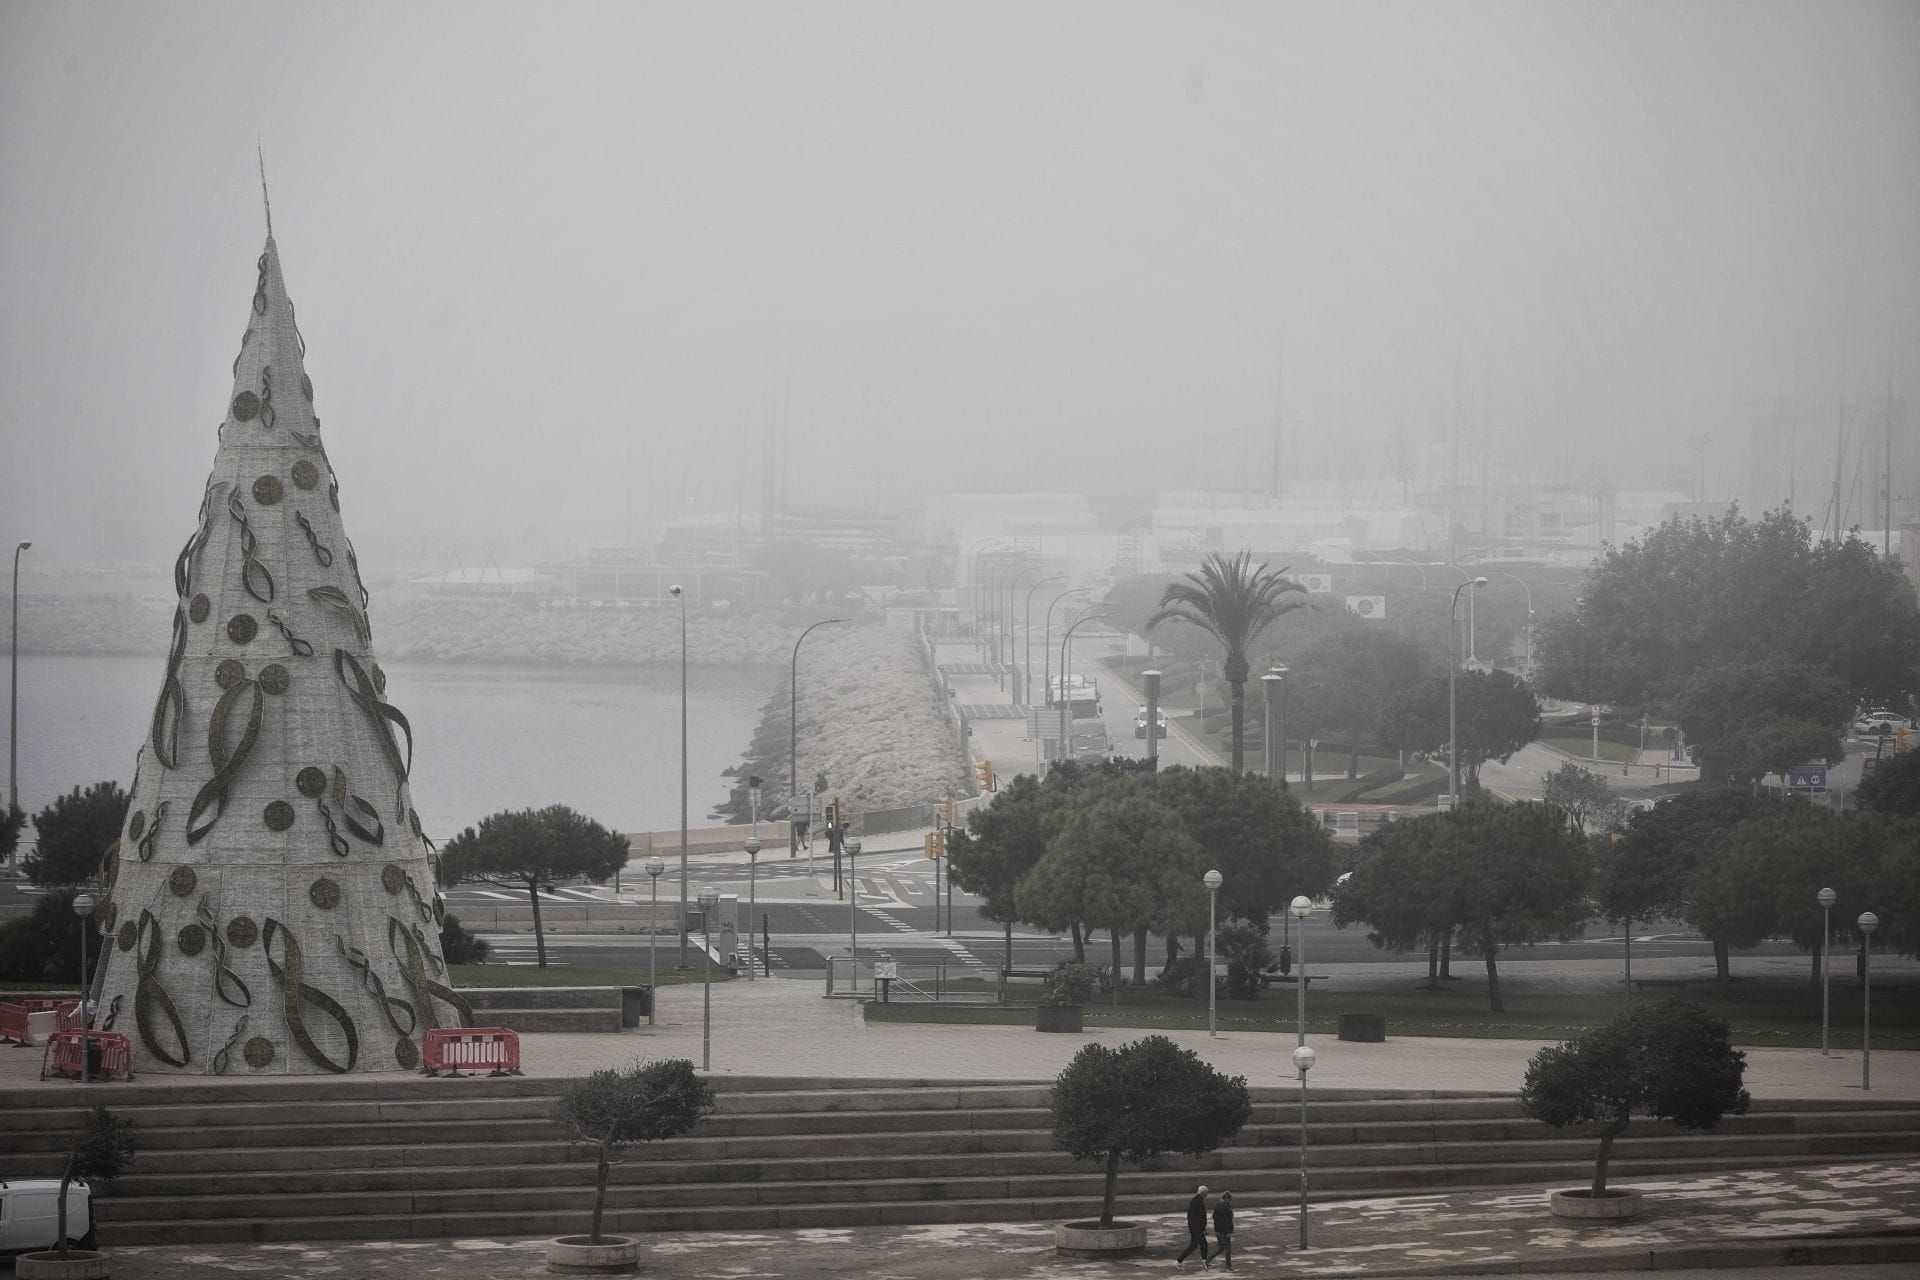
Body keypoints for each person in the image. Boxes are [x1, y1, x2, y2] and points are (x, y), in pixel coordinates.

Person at [1175, 1184, 1210, 1268]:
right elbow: (1197, 1217)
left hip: (1195, 1228)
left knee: (1193, 1246)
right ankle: (1205, 1262)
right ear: (1203, 1193)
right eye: (1206, 1193)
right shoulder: (1197, 1202)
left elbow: (1192, 1216)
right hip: (1196, 1229)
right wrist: (1202, 1229)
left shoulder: (1196, 1200)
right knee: (1203, 1244)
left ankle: (1179, 1261)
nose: (1207, 1195)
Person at [1212, 1191, 1235, 1270]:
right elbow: (1226, 1220)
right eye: (1229, 1200)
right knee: (1228, 1248)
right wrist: (1229, 1231)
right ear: (1226, 1198)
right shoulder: (1224, 1206)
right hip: (1224, 1231)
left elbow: (1214, 1217)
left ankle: (1207, 1261)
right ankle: (1229, 1267)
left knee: (1221, 1248)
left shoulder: (1217, 1205)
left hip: (1218, 1230)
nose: (1230, 1201)